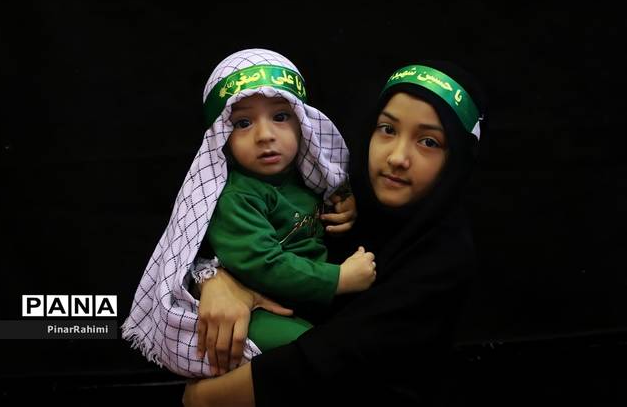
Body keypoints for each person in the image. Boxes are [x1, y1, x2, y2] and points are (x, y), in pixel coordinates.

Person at [183, 60, 488, 406]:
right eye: (388, 129)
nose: (398, 157)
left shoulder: (443, 257)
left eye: (429, 141)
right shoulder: (341, 199)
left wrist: (207, 398)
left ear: (456, 157)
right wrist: (216, 280)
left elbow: (333, 357)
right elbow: (246, 243)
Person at [121, 48, 372, 379]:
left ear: (303, 123)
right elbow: (264, 263)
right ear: (223, 137)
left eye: (280, 117)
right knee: (311, 351)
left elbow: (330, 193)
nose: (265, 135)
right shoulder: (237, 196)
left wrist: (345, 201)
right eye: (243, 123)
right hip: (259, 307)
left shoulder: (306, 177)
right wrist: (338, 279)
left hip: (308, 300)